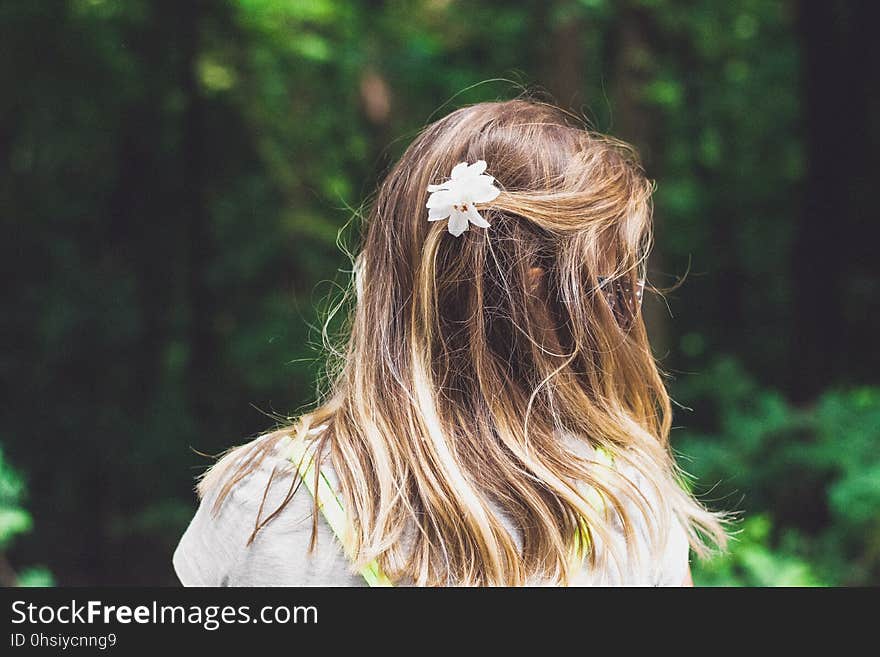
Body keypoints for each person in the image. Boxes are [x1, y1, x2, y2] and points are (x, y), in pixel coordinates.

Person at [173, 99, 727, 586]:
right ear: (579, 310)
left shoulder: (267, 501)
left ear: (388, 284)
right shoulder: (628, 504)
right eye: (617, 286)